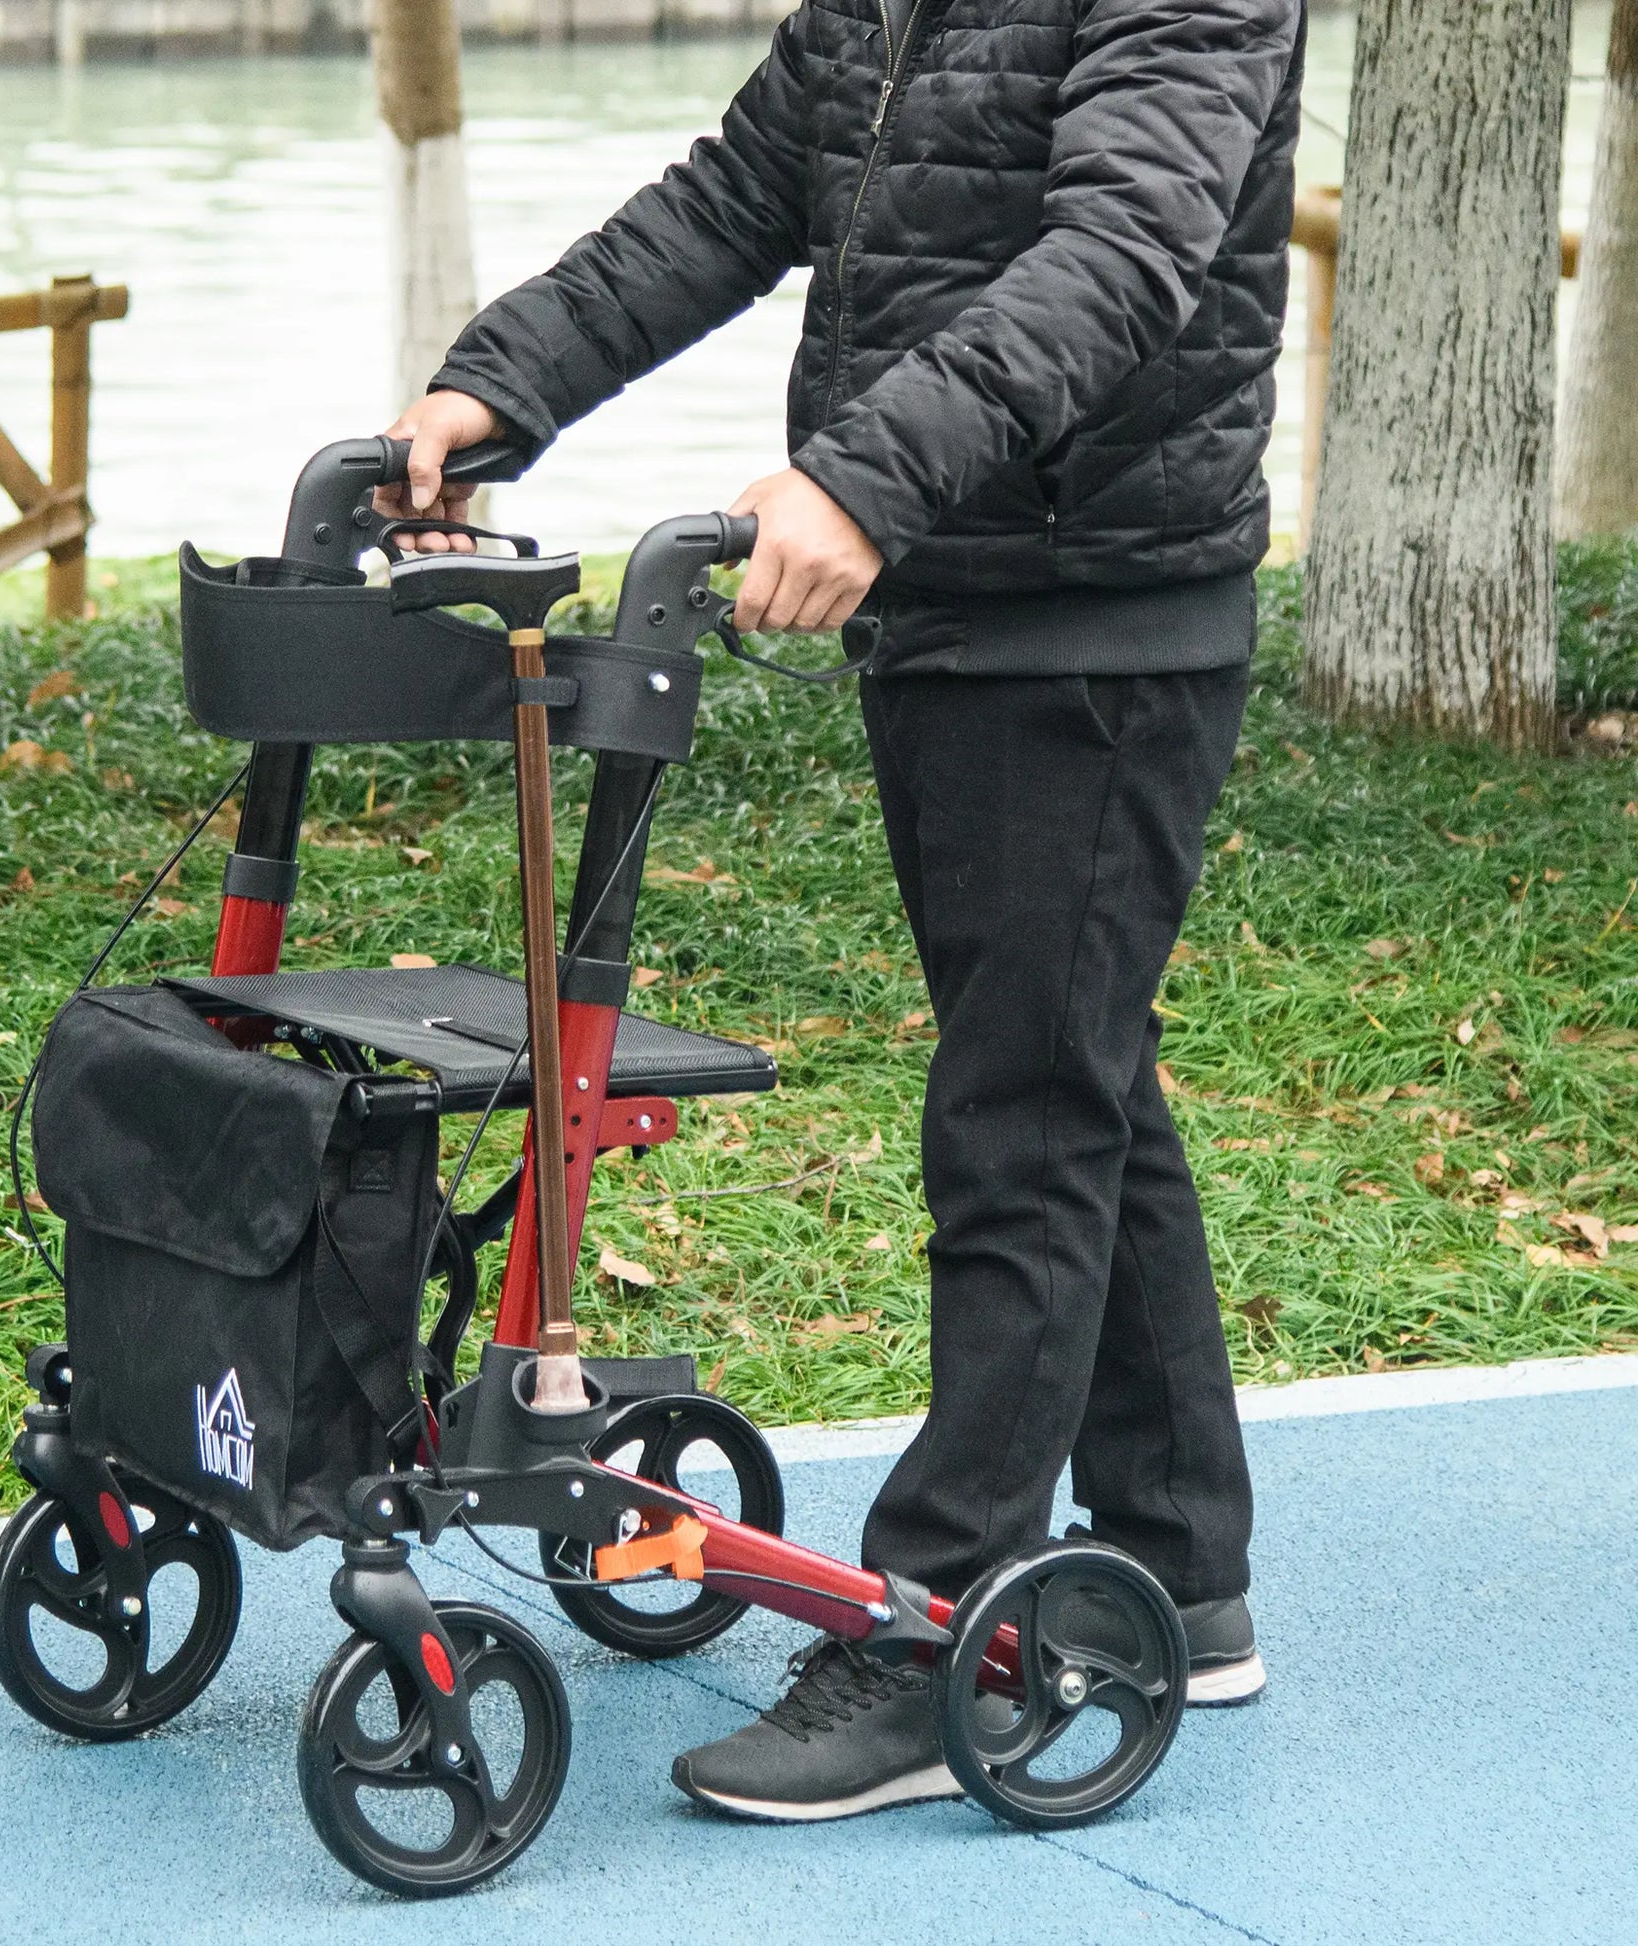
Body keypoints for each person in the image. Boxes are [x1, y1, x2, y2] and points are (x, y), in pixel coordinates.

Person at [378, 0, 1304, 1823]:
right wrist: (503, 382)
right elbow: (732, 198)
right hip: (964, 582)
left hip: (1093, 612)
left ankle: (938, 1619)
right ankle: (1179, 1576)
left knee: (1022, 1110)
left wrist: (861, 475)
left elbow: (1120, 246)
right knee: (1071, 1071)